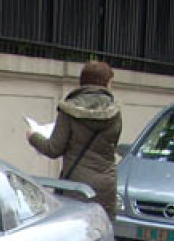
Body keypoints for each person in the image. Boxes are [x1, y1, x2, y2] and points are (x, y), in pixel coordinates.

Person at [27, 60, 122, 221]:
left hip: (77, 185)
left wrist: (33, 136)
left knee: (77, 232)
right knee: (103, 233)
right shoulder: (115, 112)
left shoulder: (68, 109)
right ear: (105, 83)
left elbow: (53, 148)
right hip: (106, 185)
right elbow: (113, 143)